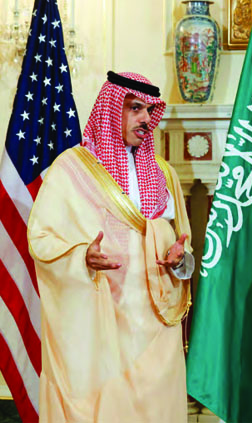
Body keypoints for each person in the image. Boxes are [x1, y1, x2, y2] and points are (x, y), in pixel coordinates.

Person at [27, 72, 194, 422]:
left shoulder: (163, 174)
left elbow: (183, 250)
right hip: (101, 325)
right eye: (135, 108)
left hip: (156, 326)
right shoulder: (73, 169)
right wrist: (81, 258)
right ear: (111, 109)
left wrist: (180, 260)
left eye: (149, 110)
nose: (145, 119)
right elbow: (41, 239)